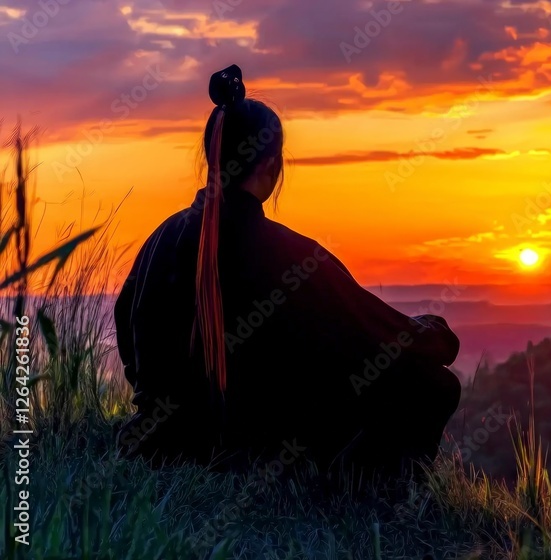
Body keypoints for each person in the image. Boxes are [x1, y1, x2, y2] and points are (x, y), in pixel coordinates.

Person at [114, 64, 462, 481]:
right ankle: (371, 497)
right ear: (272, 165)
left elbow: (127, 329)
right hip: (253, 454)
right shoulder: (294, 257)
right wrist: (435, 332)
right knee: (434, 384)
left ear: (212, 155)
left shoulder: (160, 239)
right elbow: (379, 334)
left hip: (161, 444)